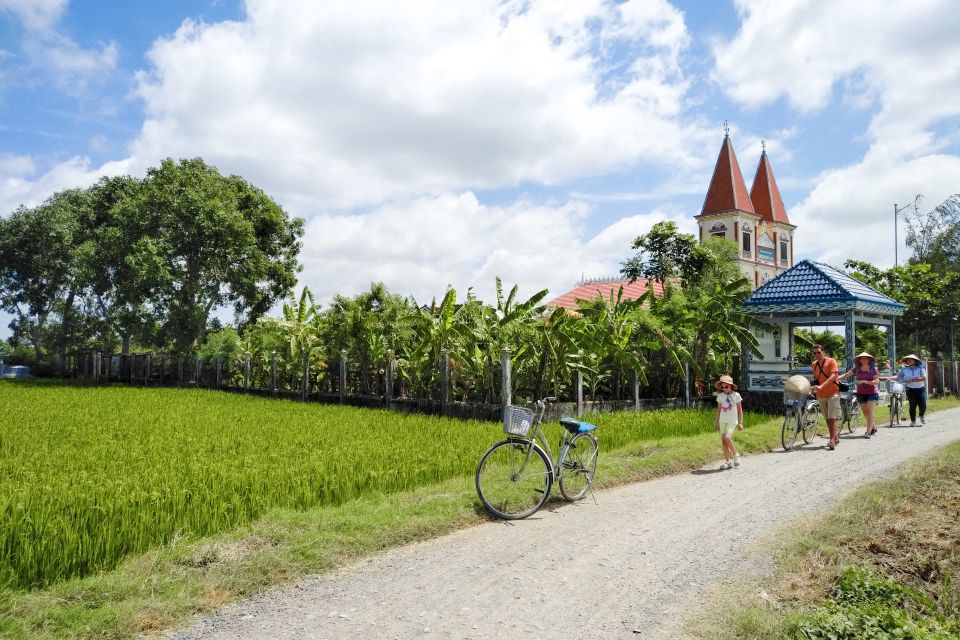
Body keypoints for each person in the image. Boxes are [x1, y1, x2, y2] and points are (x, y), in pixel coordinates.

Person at [839, 351, 880, 437]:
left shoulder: (873, 369)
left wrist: (865, 381)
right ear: (859, 360)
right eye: (862, 358)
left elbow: (876, 382)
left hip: (872, 392)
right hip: (861, 392)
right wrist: (835, 378)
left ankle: (868, 432)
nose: (864, 360)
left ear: (869, 359)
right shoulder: (856, 369)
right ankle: (874, 427)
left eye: (866, 358)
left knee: (870, 411)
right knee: (865, 412)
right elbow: (846, 375)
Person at [810, 344, 842, 450]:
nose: (817, 355)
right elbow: (817, 379)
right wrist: (812, 387)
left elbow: (833, 376)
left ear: (823, 352)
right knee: (827, 418)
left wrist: (822, 386)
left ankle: (832, 440)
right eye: (814, 353)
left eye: (818, 352)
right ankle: (835, 437)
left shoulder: (831, 361)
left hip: (833, 392)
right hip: (820, 394)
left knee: (832, 417)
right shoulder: (814, 364)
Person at [713, 375, 743, 470]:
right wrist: (716, 421)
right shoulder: (720, 396)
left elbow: (740, 410)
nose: (724, 389)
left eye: (727, 386)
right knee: (723, 441)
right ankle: (728, 461)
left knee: (727, 438)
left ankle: (736, 454)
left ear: (731, 386)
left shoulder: (736, 395)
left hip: (732, 421)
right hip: (723, 420)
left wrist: (740, 423)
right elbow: (718, 410)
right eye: (722, 387)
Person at [897, 354, 927, 426]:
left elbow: (924, 378)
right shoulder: (904, 369)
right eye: (908, 360)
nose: (909, 361)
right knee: (912, 405)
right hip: (910, 389)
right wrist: (888, 378)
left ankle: (921, 415)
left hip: (921, 389)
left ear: (915, 361)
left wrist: (913, 380)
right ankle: (913, 421)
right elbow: (899, 377)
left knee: (923, 405)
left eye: (911, 359)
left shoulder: (920, 368)